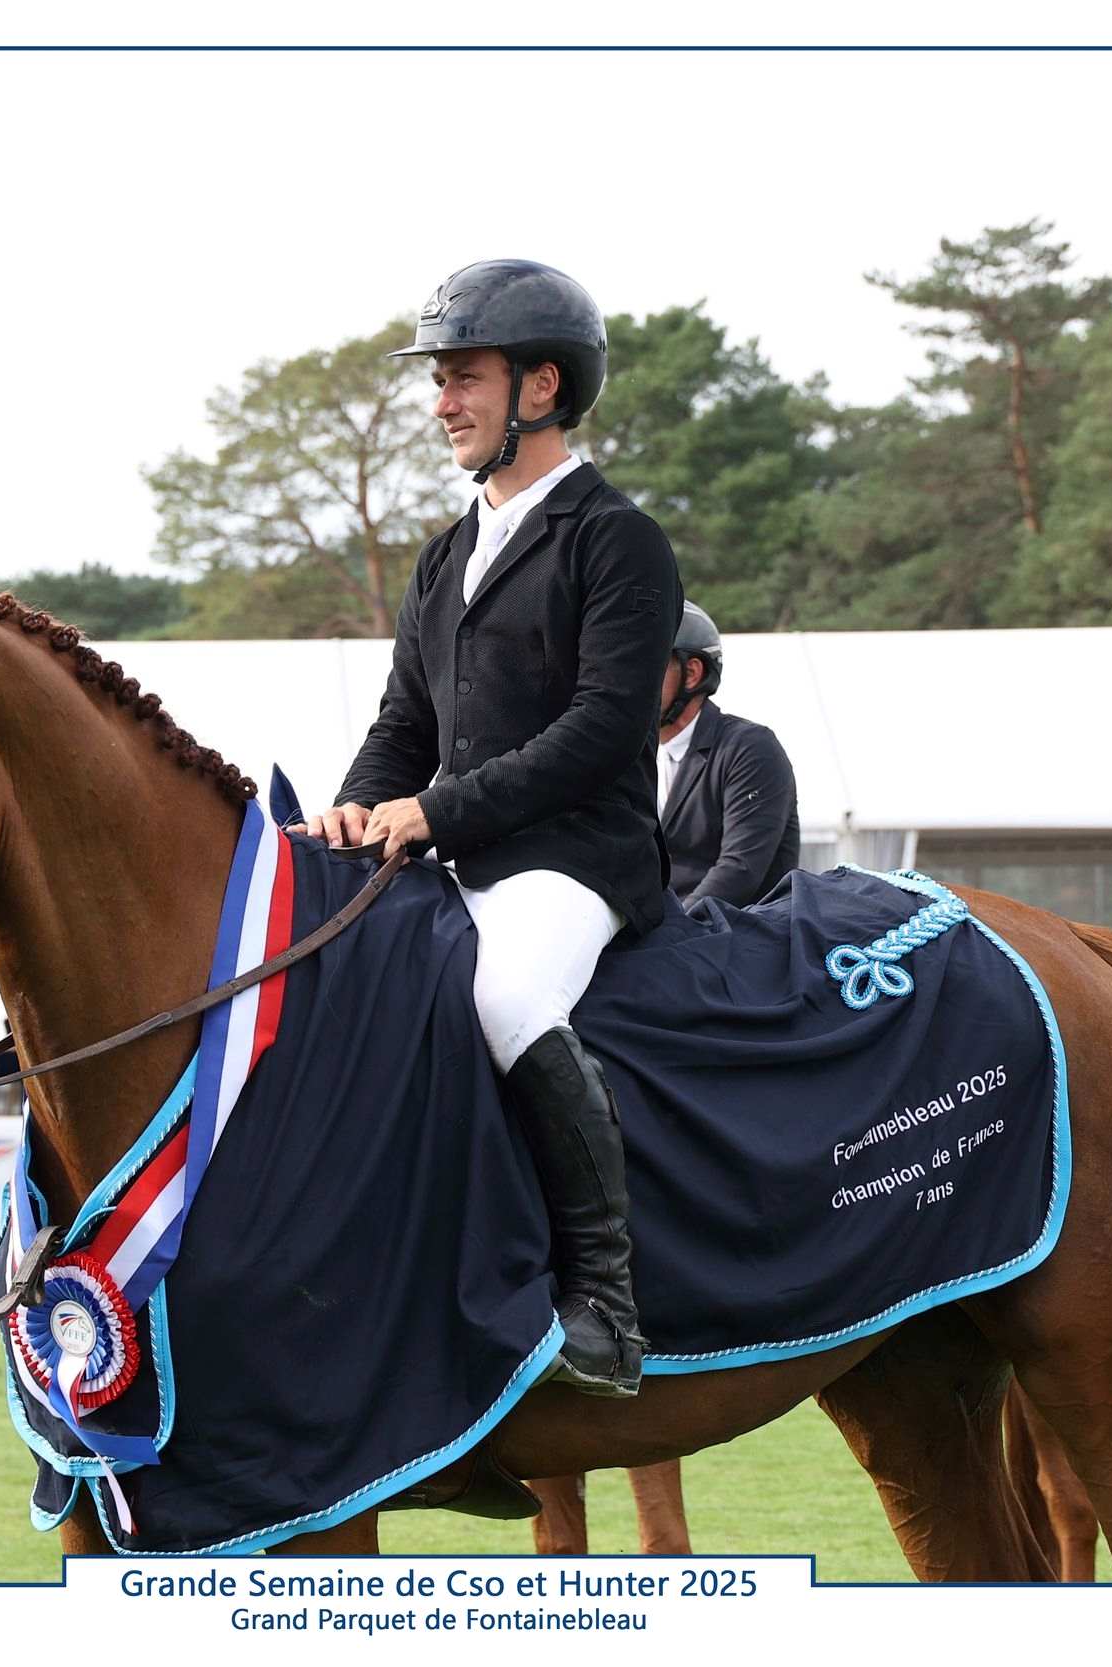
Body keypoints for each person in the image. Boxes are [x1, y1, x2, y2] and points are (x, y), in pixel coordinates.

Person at [306, 258, 679, 1398]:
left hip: (576, 859)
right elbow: (404, 721)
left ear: (539, 386)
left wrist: (437, 810)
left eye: (462, 377)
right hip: (461, 854)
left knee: (506, 1000)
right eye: (441, 380)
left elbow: (601, 729)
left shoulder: (617, 540)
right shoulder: (444, 553)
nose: (440, 402)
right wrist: (360, 800)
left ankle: (606, 1300)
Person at [657, 600, 800, 907]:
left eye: (645, 665)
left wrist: (672, 932)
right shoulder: (629, 756)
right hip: (666, 938)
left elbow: (739, 869)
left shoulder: (749, 749)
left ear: (692, 673)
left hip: (744, 934)